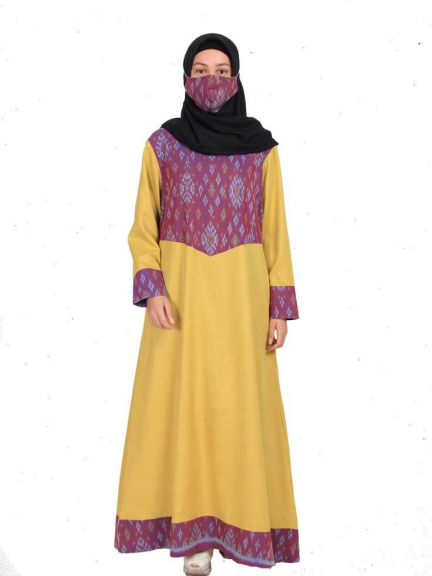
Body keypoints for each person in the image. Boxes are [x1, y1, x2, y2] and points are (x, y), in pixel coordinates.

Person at [114, 32, 300, 574]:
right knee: (182, 410)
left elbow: (276, 231)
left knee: (238, 413)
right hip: (181, 303)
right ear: (185, 79)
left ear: (236, 80)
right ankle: (193, 536)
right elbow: (143, 226)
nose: (211, 80)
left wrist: (279, 307)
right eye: (201, 71)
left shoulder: (261, 150)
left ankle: (241, 525)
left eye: (222, 71)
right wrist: (152, 288)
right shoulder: (163, 146)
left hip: (243, 303)